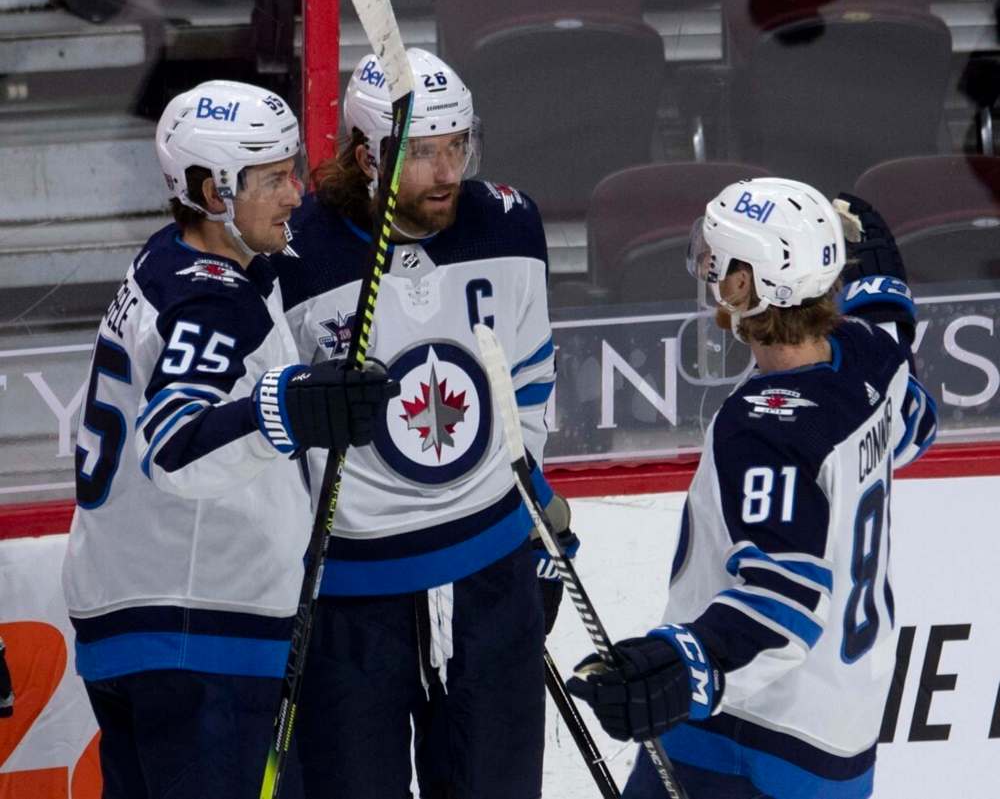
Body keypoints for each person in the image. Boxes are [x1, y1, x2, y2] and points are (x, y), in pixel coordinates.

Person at [61, 80, 398, 799]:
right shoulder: (212, 300)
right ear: (214, 192)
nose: (296, 194)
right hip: (197, 638)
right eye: (274, 177)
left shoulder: (173, 260)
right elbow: (174, 442)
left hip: (146, 624)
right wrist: (291, 407)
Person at [567, 178, 938, 799]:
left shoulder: (765, 427)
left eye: (721, 263)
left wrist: (681, 668)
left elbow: (783, 603)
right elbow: (914, 422)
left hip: (749, 742)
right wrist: (888, 300)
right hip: (842, 734)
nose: (708, 271)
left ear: (753, 286)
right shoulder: (866, 355)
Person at [272, 48, 574, 799]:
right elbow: (277, 430)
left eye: (457, 146)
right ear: (367, 155)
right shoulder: (296, 255)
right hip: (350, 599)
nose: (447, 173)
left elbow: (529, 380)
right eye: (424, 153)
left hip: (490, 581)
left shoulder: (510, 224)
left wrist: (531, 520)